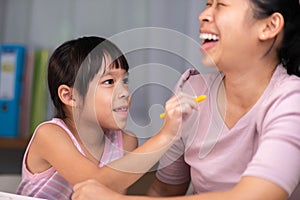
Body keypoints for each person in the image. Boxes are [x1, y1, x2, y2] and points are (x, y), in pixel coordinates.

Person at [71, 0, 300, 199]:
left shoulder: (291, 99)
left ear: (269, 26)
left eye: (220, 4)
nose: (203, 15)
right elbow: (164, 191)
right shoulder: (192, 90)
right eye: (207, 4)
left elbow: (253, 197)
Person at [16, 36, 199, 200]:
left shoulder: (126, 141)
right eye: (109, 82)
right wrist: (165, 135)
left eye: (125, 81)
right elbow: (95, 184)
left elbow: (107, 198)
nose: (125, 93)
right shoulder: (50, 134)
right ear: (69, 96)